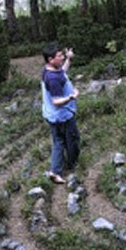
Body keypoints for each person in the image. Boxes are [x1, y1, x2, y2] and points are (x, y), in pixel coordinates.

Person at [41, 43, 80, 185]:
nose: (62, 57)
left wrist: (69, 60)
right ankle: (71, 165)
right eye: (60, 56)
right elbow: (57, 101)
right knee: (72, 139)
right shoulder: (53, 79)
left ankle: (56, 170)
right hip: (61, 116)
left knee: (58, 142)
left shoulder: (49, 70)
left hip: (52, 115)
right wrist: (72, 96)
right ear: (51, 59)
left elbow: (62, 73)